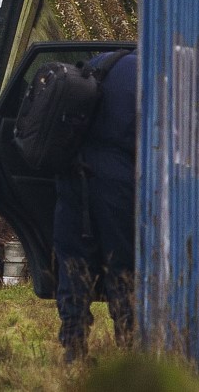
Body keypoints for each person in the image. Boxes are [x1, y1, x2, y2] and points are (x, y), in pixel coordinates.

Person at [53, 48, 138, 363]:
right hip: (116, 179)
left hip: (72, 172)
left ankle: (73, 347)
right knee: (123, 264)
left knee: (74, 262)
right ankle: (129, 348)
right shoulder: (152, 71)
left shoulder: (102, 62)